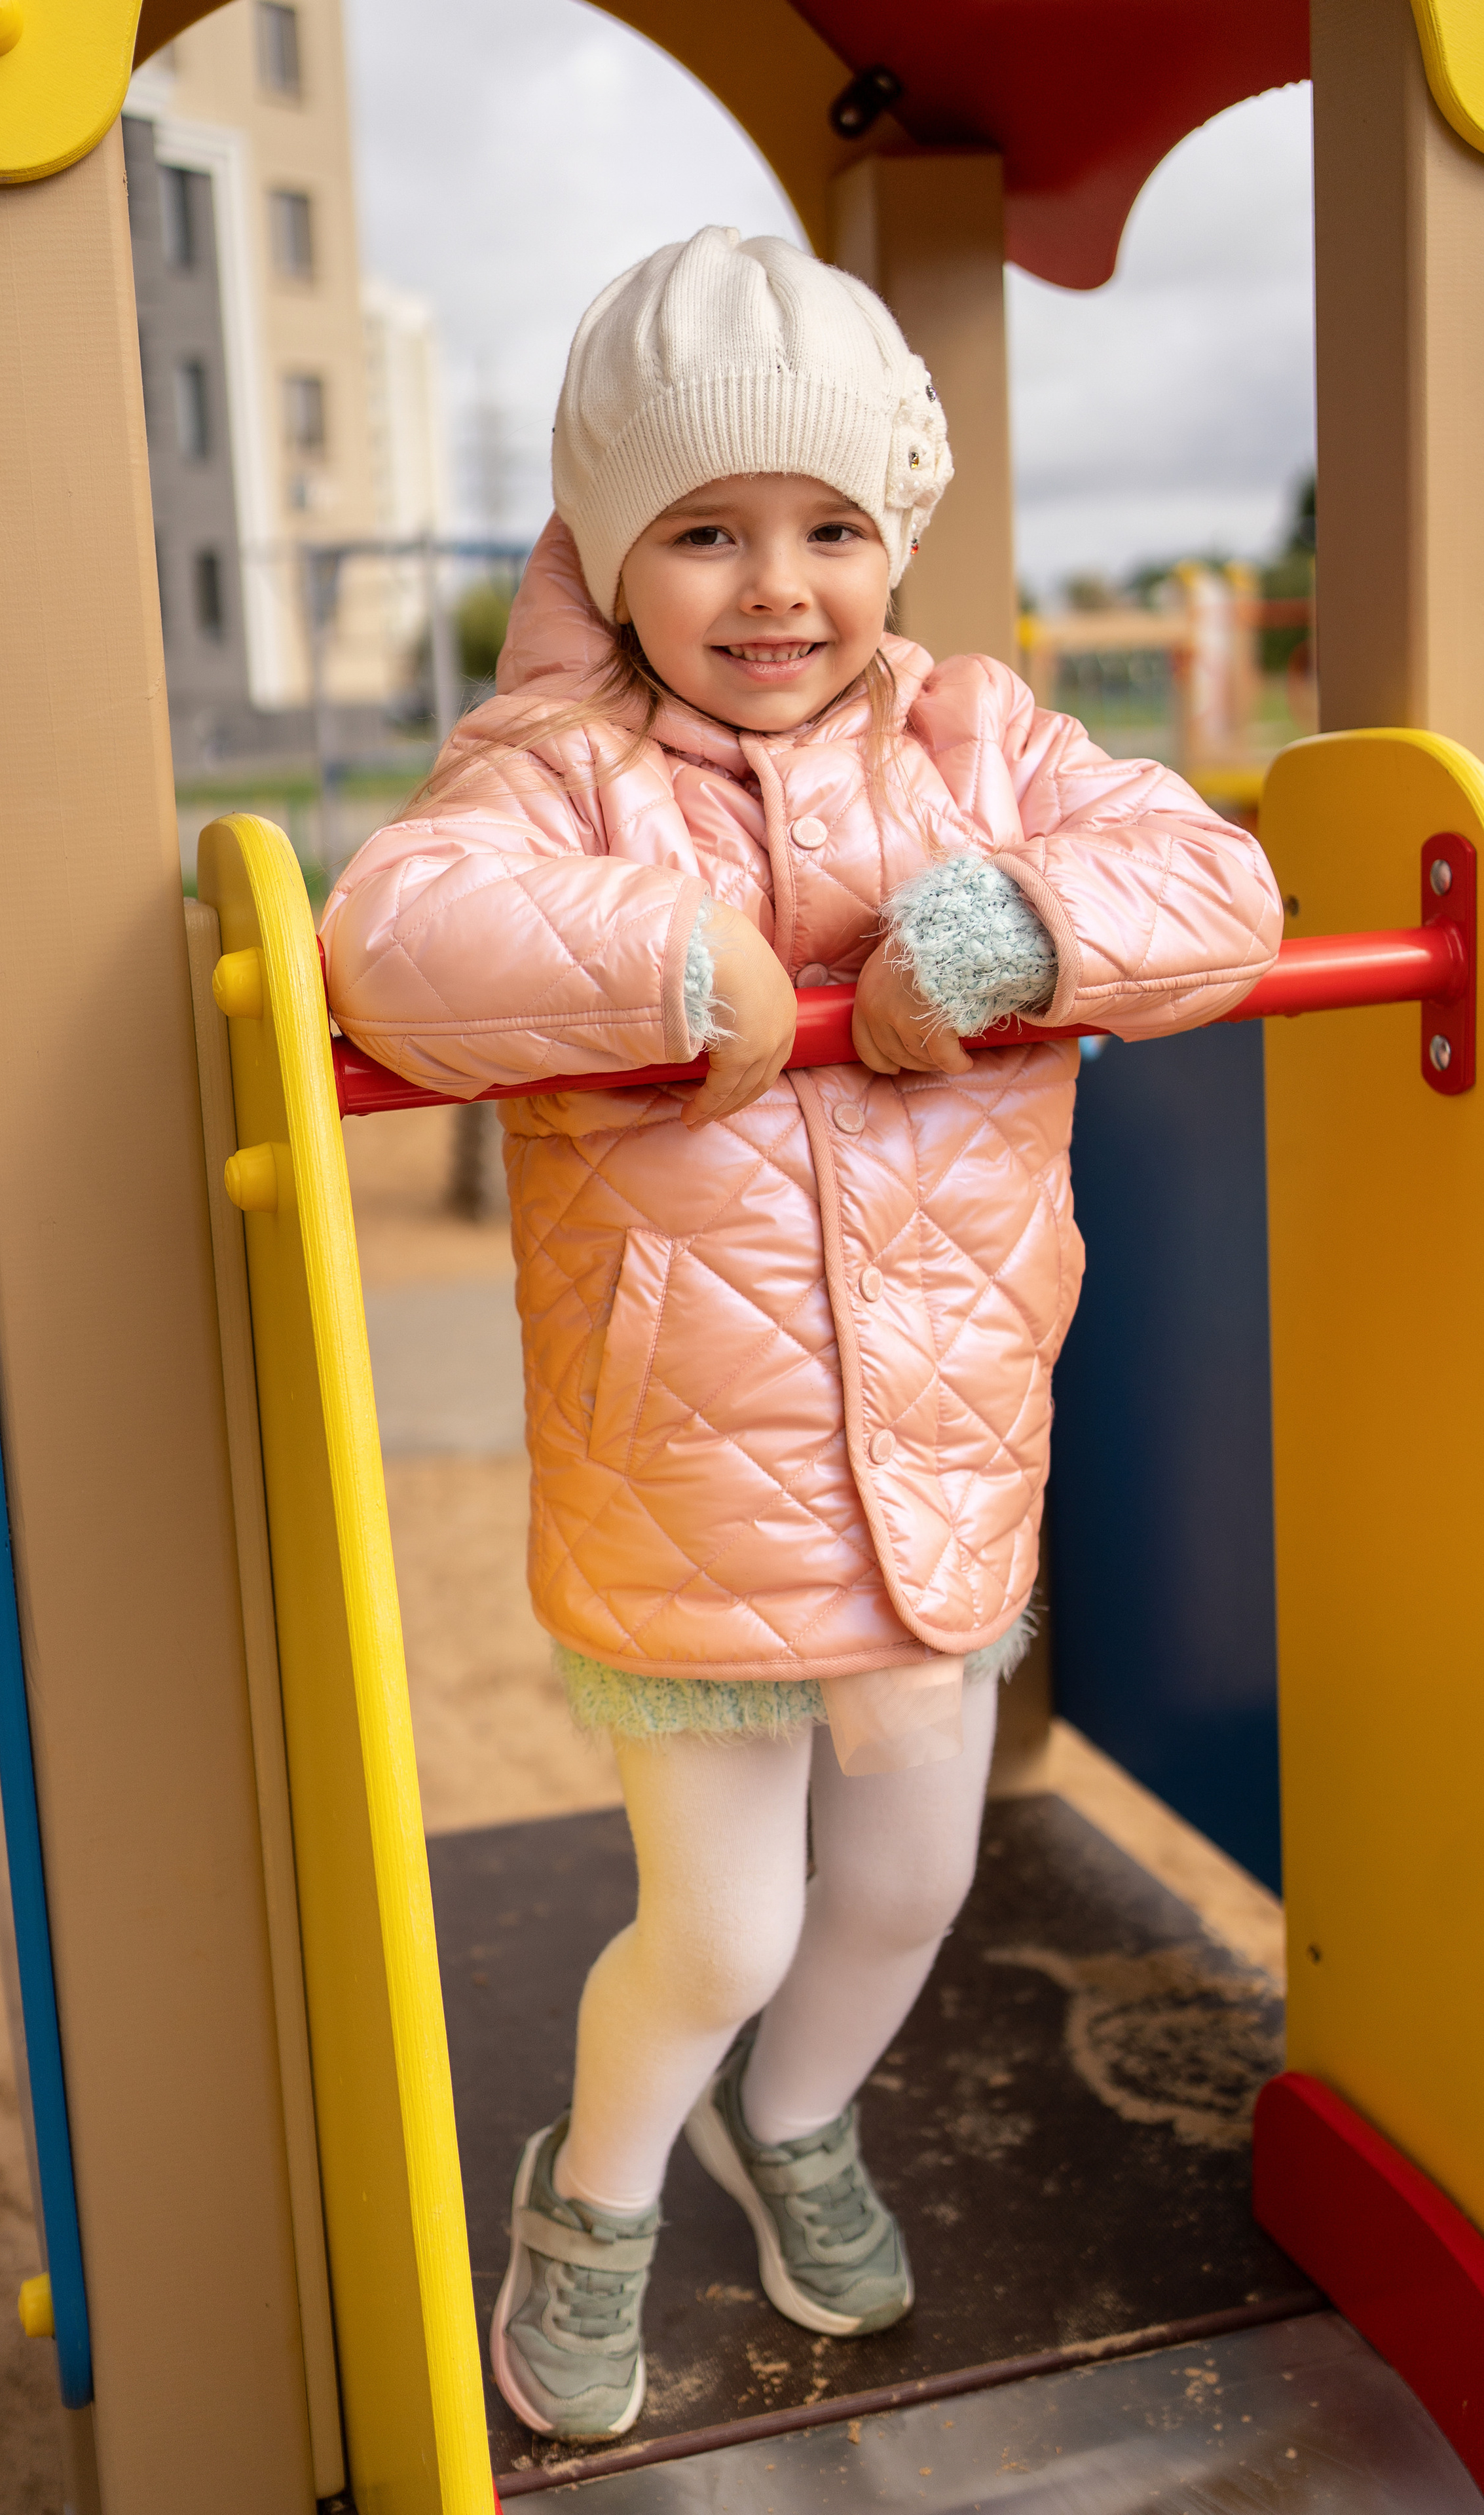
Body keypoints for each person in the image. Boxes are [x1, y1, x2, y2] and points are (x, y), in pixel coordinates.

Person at [321, 226, 1282, 2442]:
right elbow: (402, 937)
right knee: (727, 1929)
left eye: (832, 527)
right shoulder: (562, 773)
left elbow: (1213, 885)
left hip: (937, 1472)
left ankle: (807, 2121)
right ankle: (599, 2193)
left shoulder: (977, 739)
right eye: (707, 531)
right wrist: (675, 961)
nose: (779, 587)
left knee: (918, 1873)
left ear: (897, 538)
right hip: (687, 1475)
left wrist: (1008, 917)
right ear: (609, 553)